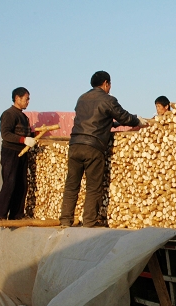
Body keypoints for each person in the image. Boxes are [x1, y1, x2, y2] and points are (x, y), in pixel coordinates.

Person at [59, 71, 148, 227]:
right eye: (109, 85)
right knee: (93, 186)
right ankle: (89, 222)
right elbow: (123, 116)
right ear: (106, 83)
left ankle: (65, 220)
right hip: (93, 146)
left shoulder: (82, 98)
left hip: (75, 144)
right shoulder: (108, 100)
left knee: (72, 184)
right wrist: (137, 120)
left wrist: (111, 124)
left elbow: (93, 120)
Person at [0, 87, 36, 220]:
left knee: (21, 184)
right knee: (9, 183)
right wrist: (23, 139)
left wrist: (33, 135)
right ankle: (1, 215)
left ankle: (16, 215)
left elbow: (25, 133)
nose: (28, 102)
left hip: (22, 153)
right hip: (10, 153)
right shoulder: (9, 114)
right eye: (26, 99)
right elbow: (6, 134)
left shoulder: (24, 117)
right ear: (17, 98)